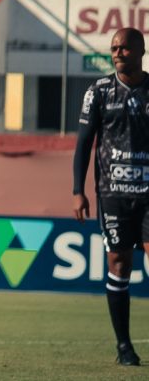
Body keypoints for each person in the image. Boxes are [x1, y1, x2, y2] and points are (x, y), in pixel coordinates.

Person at [73, 27, 149, 367]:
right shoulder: (99, 91)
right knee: (118, 264)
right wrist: (78, 190)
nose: (117, 53)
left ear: (141, 50)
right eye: (114, 48)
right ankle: (124, 347)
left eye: (124, 48)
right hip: (113, 194)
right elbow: (84, 143)